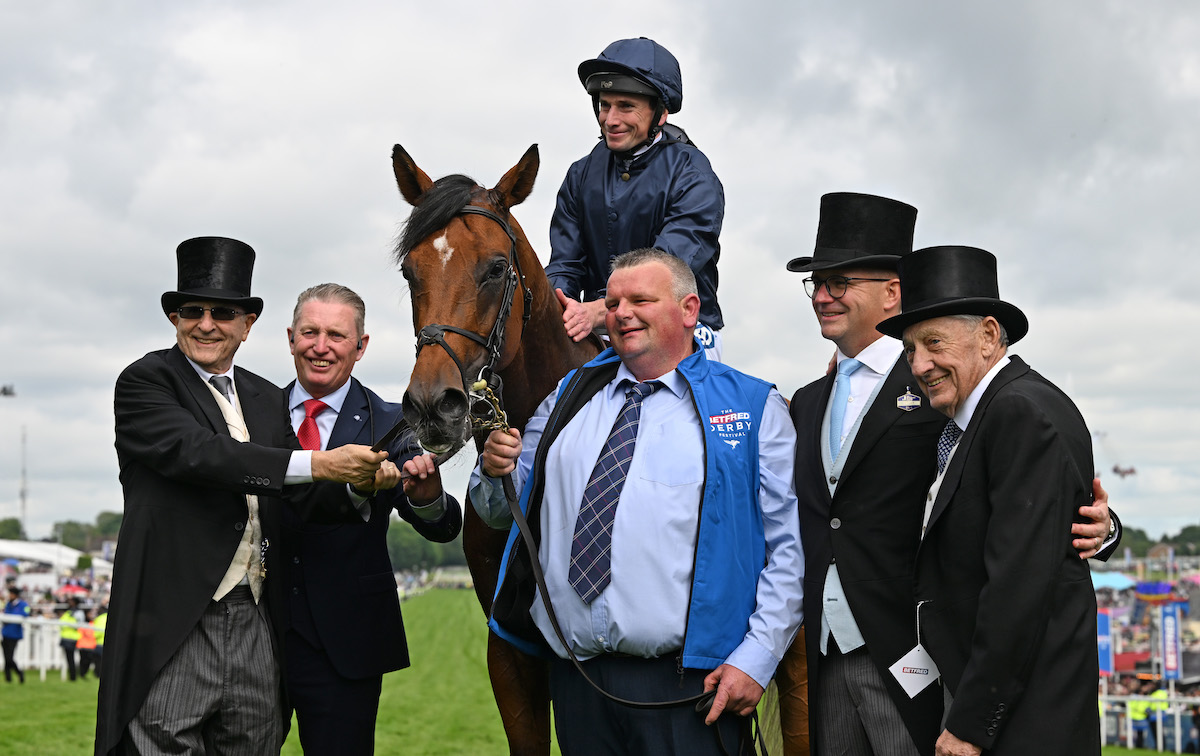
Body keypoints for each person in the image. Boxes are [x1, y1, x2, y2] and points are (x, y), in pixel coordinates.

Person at [782, 195, 1120, 756]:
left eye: (839, 282)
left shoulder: (972, 397)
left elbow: (1023, 545)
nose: (822, 295)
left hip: (922, 670)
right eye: (815, 283)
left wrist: (1101, 528)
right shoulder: (807, 403)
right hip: (831, 659)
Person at [471, 248, 803, 754]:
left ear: (689, 310)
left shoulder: (755, 406)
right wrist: (494, 471)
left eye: (640, 300)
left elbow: (789, 551)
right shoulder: (567, 396)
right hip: (578, 683)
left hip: (692, 688)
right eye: (613, 300)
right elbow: (499, 509)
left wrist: (755, 660)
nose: (621, 312)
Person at [96, 237, 390, 756]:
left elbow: (295, 498)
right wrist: (322, 463)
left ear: (248, 323)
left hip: (256, 617)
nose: (207, 323)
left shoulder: (262, 397)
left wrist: (358, 487)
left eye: (224, 312)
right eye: (193, 310)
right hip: (175, 620)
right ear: (175, 317)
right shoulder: (146, 382)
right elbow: (200, 455)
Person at [876, 245, 1101, 756]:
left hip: (1022, 718)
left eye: (933, 343)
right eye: (910, 349)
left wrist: (972, 723)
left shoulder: (1018, 412)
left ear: (989, 335)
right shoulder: (987, 412)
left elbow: (1019, 586)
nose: (920, 364)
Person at [280, 283, 463, 754]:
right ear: (290, 337)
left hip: (347, 645)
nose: (321, 347)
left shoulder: (392, 423)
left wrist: (426, 496)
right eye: (310, 332)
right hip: (258, 637)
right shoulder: (255, 413)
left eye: (337, 336)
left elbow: (441, 527)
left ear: (361, 347)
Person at [547, 37, 726, 359]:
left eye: (626, 107)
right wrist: (560, 304)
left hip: (684, 331)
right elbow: (565, 264)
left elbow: (665, 272)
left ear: (660, 113)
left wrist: (599, 311)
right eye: (604, 105)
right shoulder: (580, 174)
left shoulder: (693, 174)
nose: (610, 120)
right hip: (600, 331)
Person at [3, 585, 31, 684]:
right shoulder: (8, 604)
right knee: (6, 657)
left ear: (15, 595)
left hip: (14, 634)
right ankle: (8, 678)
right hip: (6, 633)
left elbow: (26, 614)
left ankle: (19, 673)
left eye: (10, 594)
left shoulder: (23, 605)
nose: (9, 596)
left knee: (9, 657)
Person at [59, 596, 84, 681]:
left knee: (72, 658)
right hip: (67, 637)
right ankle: (73, 676)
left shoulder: (78, 613)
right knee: (70, 658)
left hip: (73, 638)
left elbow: (79, 625)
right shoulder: (68, 612)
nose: (70, 603)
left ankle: (74, 676)